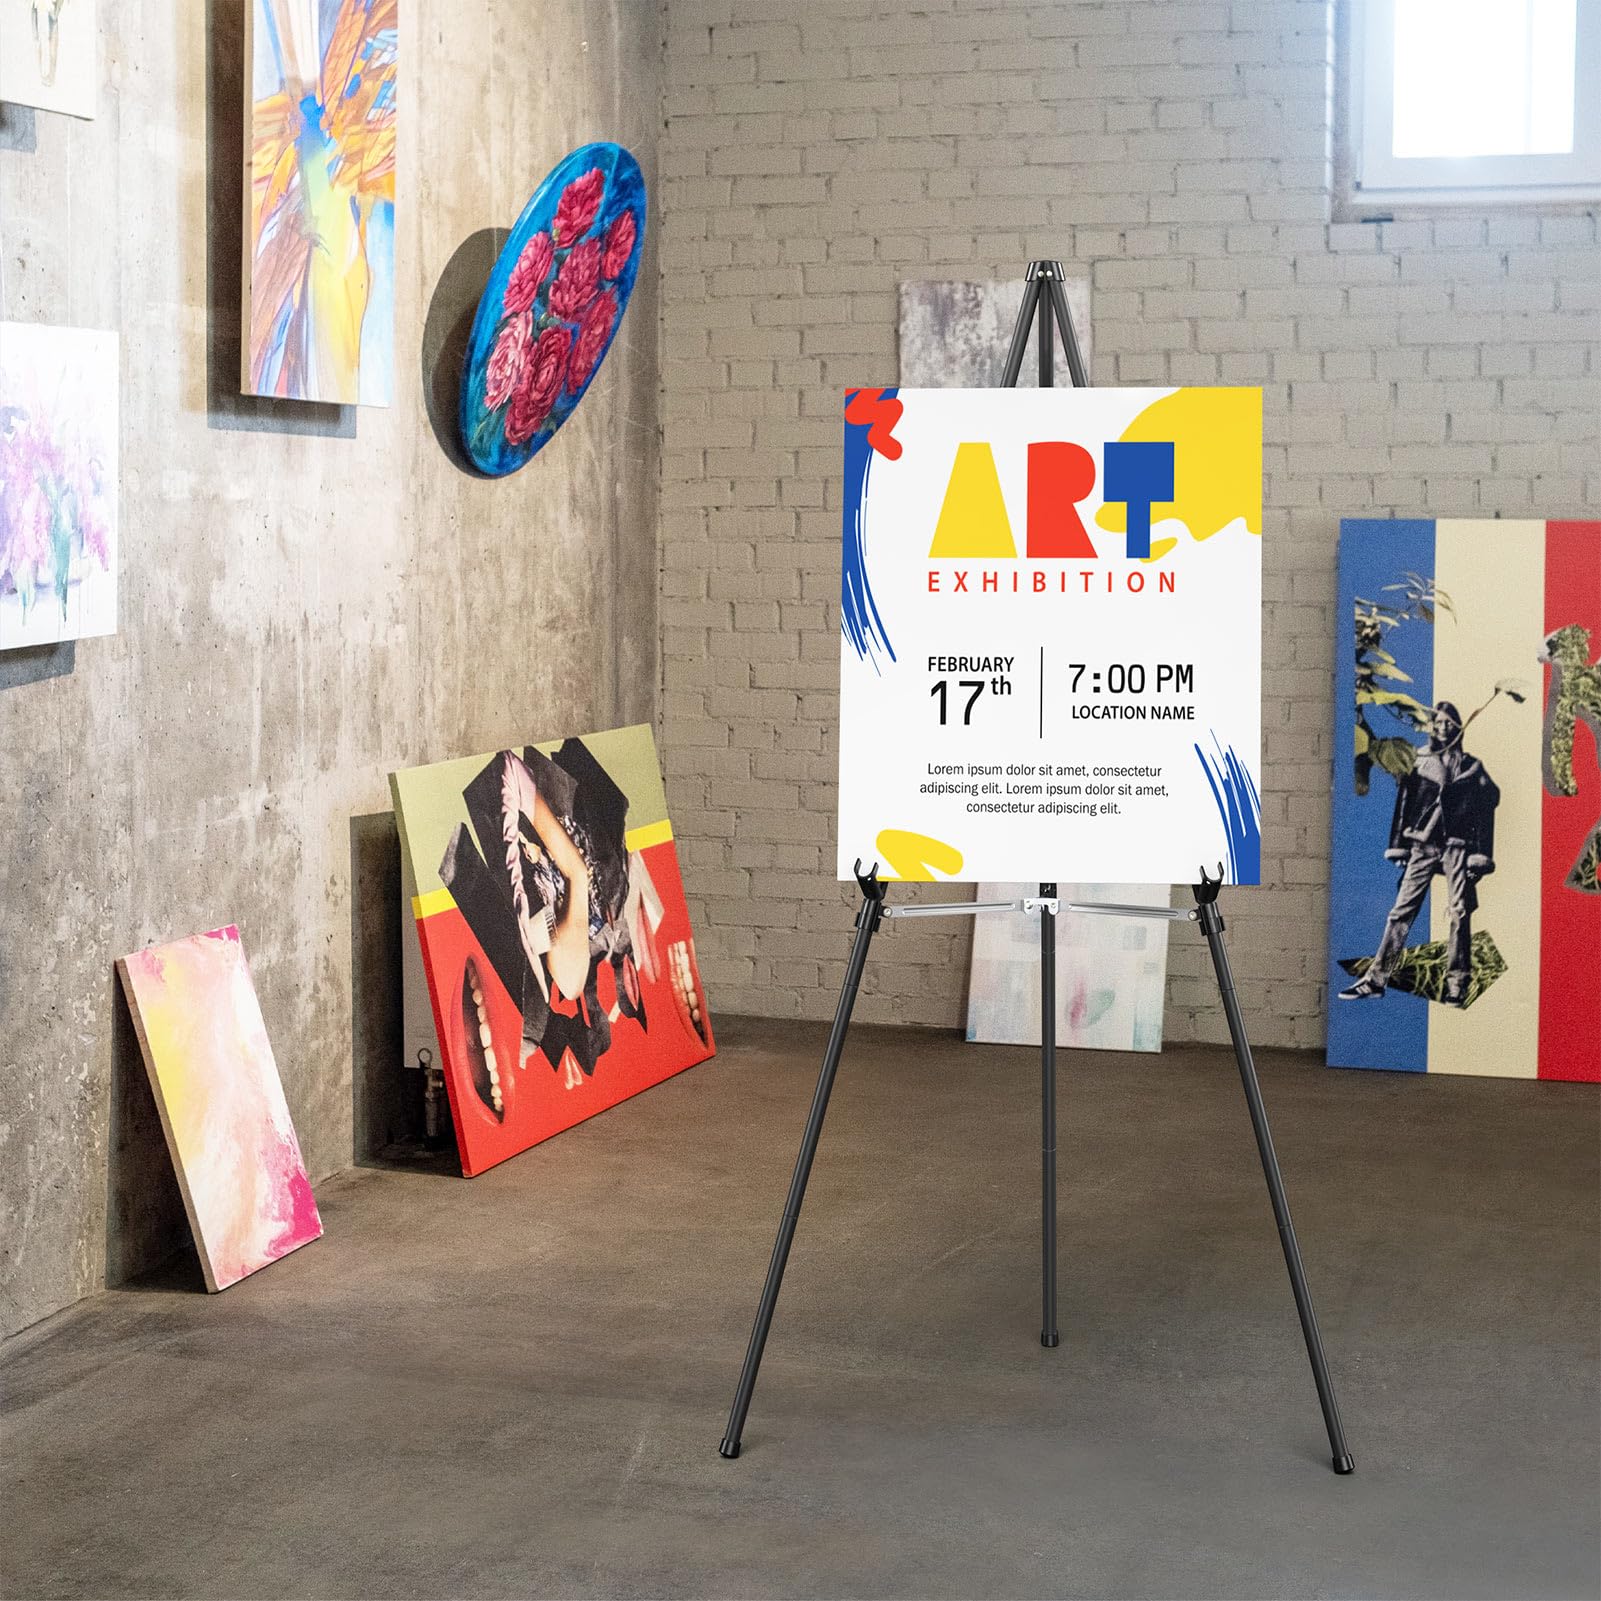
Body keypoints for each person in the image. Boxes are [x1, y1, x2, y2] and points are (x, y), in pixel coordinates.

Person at [1339, 700, 1499, 1007]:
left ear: (1458, 727)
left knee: (1459, 912)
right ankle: (1376, 979)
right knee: (1401, 912)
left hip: (1457, 846)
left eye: (1448, 722)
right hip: (1422, 846)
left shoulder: (1471, 767)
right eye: (1437, 722)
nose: (1443, 727)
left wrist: (1479, 855)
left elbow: (1487, 804)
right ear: (1431, 727)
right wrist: (1399, 846)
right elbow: (1404, 802)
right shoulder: (1418, 761)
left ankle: (1457, 983)